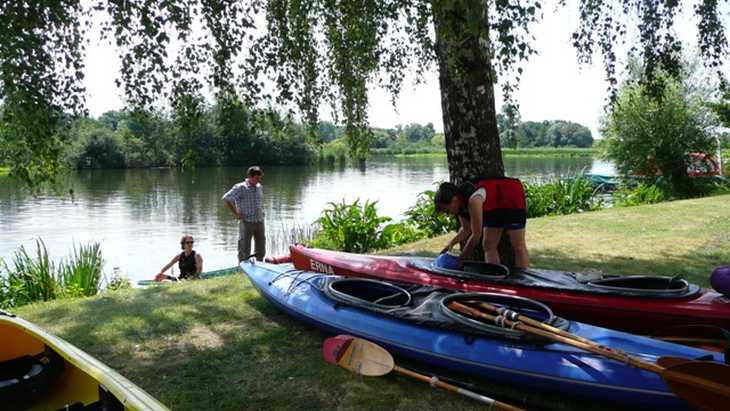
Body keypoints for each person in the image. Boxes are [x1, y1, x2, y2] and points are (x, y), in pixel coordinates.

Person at [434, 177, 529, 269]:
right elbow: (466, 229)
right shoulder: (459, 205)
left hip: (511, 195)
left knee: (518, 245)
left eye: (447, 211)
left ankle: (524, 279)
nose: (448, 214)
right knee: (488, 244)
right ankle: (494, 275)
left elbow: (476, 235)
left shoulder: (474, 200)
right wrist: (450, 244)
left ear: (454, 200)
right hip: (493, 207)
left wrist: (462, 257)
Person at [222, 165, 266, 262]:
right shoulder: (240, 187)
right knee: (244, 248)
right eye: (256, 178)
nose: (258, 180)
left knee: (261, 248)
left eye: (260, 178)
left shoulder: (259, 187)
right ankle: (242, 268)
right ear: (250, 177)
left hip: (259, 221)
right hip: (247, 222)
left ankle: (260, 265)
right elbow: (226, 198)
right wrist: (236, 213)